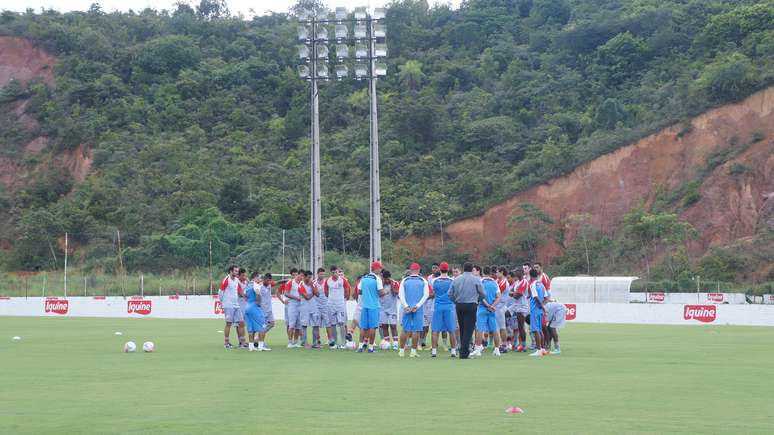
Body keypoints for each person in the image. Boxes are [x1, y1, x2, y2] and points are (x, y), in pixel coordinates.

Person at [448, 262, 486, 359]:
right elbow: (482, 293)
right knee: (469, 329)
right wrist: (478, 300)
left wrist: (455, 301)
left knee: (462, 328)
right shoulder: (476, 279)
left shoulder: (456, 279)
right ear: (471, 268)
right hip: (471, 305)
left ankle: (462, 350)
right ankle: (464, 353)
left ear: (463, 269)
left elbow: (450, 294)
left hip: (459, 305)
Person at [398, 263, 430, 358]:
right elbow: (426, 295)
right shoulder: (423, 280)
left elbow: (401, 295)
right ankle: (413, 351)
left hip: (407, 308)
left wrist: (406, 306)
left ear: (410, 270)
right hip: (418, 309)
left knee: (405, 329)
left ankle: (401, 351)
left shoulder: (405, 280)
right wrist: (417, 306)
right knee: (416, 330)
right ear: (419, 270)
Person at [472, 266, 502, 357]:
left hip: (482, 308)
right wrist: (492, 306)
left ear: (483, 273)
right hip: (492, 310)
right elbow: (498, 297)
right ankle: (497, 350)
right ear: (490, 273)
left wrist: (487, 305)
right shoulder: (495, 283)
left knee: (479, 329)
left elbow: (480, 296)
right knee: (494, 329)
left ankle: (477, 349)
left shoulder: (480, 282)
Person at [430, 262, 457, 358]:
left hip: (438, 306)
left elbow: (433, 293)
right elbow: (454, 294)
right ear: (448, 269)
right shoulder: (452, 280)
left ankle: (434, 351)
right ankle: (453, 351)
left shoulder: (434, 280)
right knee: (451, 330)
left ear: (439, 269)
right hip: (449, 307)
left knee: (435, 329)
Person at [357, 263, 384, 353]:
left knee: (363, 327)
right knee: (373, 327)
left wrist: (367, 293)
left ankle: (360, 347)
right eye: (380, 269)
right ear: (375, 269)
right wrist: (386, 292)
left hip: (365, 306)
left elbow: (359, 291)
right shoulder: (377, 279)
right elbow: (381, 293)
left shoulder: (364, 278)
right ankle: (371, 347)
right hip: (374, 306)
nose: (380, 270)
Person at [218, 265, 246, 349]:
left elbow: (239, 290)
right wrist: (222, 302)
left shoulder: (236, 280)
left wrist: (245, 296)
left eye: (237, 271)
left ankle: (242, 342)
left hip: (236, 305)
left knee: (241, 322)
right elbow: (220, 291)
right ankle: (226, 343)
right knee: (228, 323)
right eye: (235, 271)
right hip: (228, 305)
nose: (237, 272)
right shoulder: (226, 279)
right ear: (230, 271)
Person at [324, 265, 350, 349]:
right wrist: (332, 299)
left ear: (338, 272)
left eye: (336, 272)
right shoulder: (328, 281)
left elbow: (347, 290)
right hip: (331, 305)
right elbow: (326, 292)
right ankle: (335, 343)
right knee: (333, 324)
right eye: (333, 272)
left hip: (340, 305)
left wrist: (342, 299)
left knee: (341, 323)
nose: (334, 274)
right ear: (331, 272)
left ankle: (343, 343)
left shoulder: (343, 280)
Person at [528, 268, 549, 357]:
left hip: (535, 310)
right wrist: (543, 306)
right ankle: (543, 349)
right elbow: (546, 297)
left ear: (530, 276)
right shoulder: (541, 284)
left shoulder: (533, 284)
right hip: (540, 310)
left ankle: (538, 350)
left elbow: (536, 297)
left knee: (536, 330)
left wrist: (542, 306)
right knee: (540, 330)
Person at [244, 272, 267, 352]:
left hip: (247, 306)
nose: (261, 279)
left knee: (251, 329)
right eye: (260, 277)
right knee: (263, 327)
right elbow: (257, 293)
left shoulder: (248, 285)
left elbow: (245, 296)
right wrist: (258, 303)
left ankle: (251, 347)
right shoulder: (256, 285)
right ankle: (260, 347)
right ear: (255, 277)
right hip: (254, 307)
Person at [379, 270, 400, 350]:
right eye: (385, 279)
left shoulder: (395, 283)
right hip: (382, 308)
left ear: (390, 278)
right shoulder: (380, 284)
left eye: (388, 279)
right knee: (384, 326)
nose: (387, 281)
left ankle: (395, 343)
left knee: (393, 326)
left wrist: (391, 286)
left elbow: (395, 293)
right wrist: (383, 284)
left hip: (392, 309)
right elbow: (379, 294)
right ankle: (386, 343)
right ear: (383, 278)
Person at [510, 269, 529, 352]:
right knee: (506, 315)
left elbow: (517, 295)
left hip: (522, 307)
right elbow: (511, 292)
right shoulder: (517, 282)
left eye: (516, 272)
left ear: (520, 273)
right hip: (516, 306)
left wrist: (514, 294)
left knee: (521, 327)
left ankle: (523, 345)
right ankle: (515, 343)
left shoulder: (524, 282)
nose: (514, 273)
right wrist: (514, 293)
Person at [285, 270, 304, 348]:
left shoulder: (302, 283)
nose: (302, 277)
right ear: (298, 275)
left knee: (299, 325)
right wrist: (296, 298)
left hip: (301, 305)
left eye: (303, 276)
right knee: (291, 325)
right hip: (292, 305)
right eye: (301, 275)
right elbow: (286, 293)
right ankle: (290, 342)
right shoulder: (290, 282)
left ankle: (296, 342)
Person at [495, 267, 512, 353]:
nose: (496, 274)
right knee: (499, 327)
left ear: (502, 272)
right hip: (498, 306)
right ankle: (502, 344)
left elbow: (496, 294)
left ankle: (504, 345)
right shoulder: (499, 281)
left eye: (497, 272)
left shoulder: (504, 282)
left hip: (500, 307)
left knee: (502, 327)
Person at [298, 270, 317, 349]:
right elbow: (307, 297)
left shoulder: (312, 284)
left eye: (311, 277)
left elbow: (318, 294)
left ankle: (315, 343)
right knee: (304, 325)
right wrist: (314, 292)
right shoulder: (300, 285)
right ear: (305, 277)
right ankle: (304, 342)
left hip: (313, 306)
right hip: (304, 307)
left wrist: (312, 286)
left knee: (315, 324)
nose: (310, 279)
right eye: (308, 277)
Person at [313, 267, 331, 348]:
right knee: (316, 324)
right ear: (318, 274)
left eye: (323, 274)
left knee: (328, 323)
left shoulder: (327, 282)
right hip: (316, 306)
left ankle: (331, 341)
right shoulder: (313, 283)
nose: (322, 275)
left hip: (325, 305)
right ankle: (317, 341)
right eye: (321, 274)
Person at [257, 273, 274, 351]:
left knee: (272, 324)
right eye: (268, 280)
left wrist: (285, 280)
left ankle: (257, 338)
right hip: (262, 310)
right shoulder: (260, 287)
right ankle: (261, 343)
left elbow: (277, 283)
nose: (269, 282)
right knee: (263, 327)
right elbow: (257, 298)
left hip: (269, 310)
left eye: (270, 280)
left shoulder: (269, 285)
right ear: (264, 279)